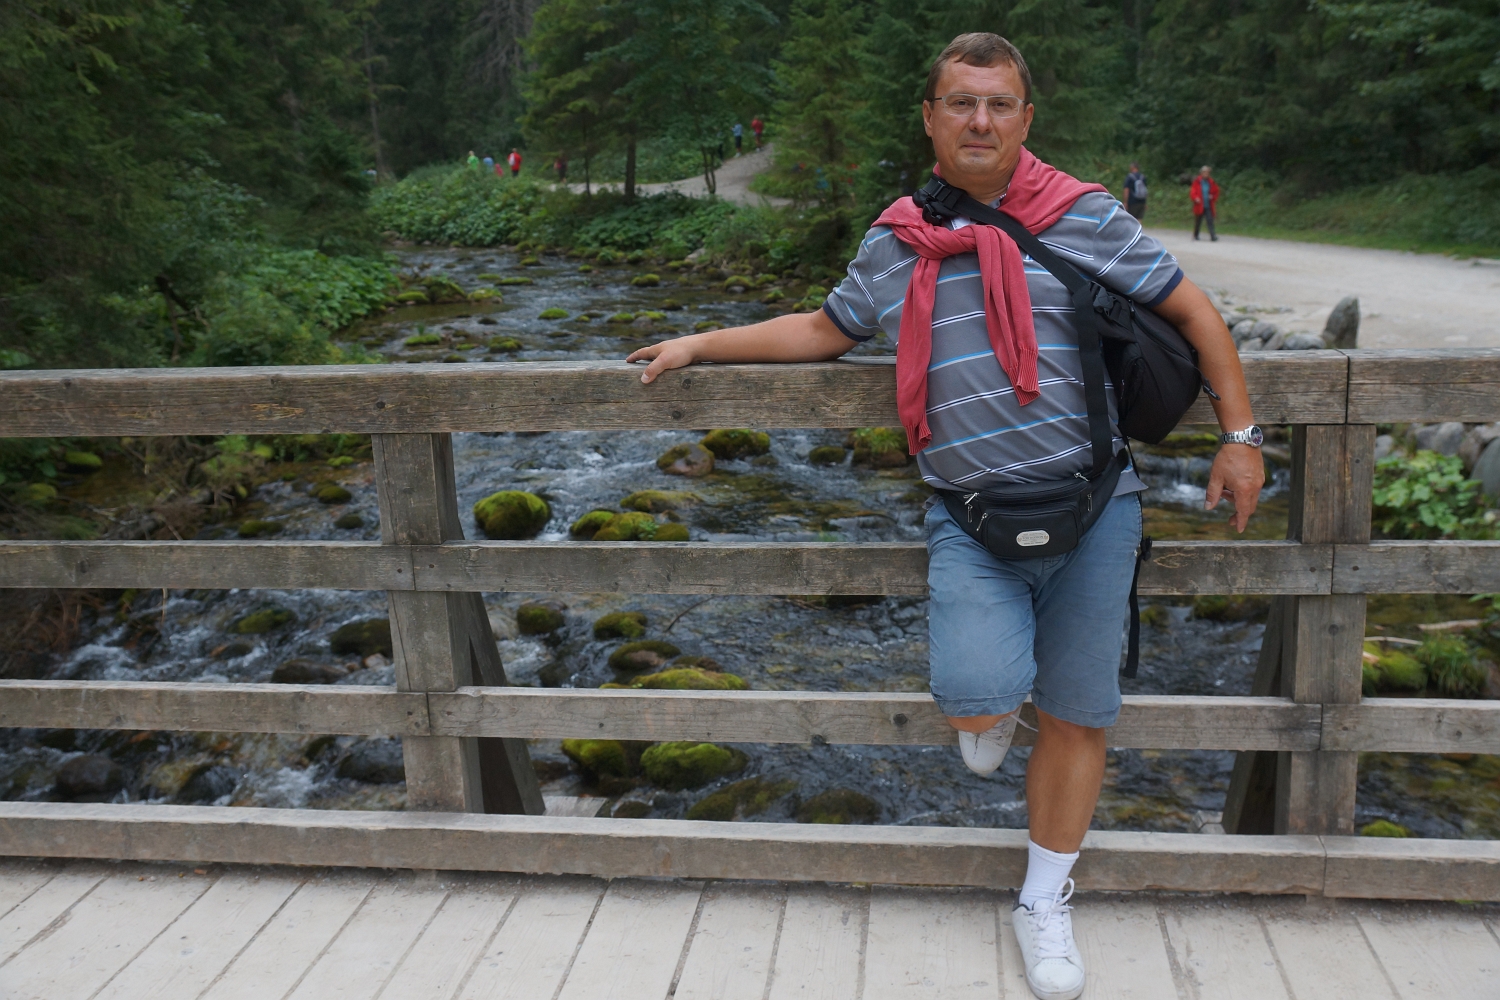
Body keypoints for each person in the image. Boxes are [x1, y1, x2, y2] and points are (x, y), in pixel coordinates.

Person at [627, 32, 1262, 1000]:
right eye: (961, 102)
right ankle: (994, 706)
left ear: (1025, 119)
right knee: (973, 696)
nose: (979, 120)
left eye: (998, 104)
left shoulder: (1081, 215)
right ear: (929, 118)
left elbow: (1195, 313)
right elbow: (825, 330)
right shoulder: (895, 240)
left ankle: (1043, 901)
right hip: (969, 516)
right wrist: (702, 344)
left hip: (1097, 505)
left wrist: (1241, 436)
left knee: (1078, 714)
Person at [1191, 165, 1219, 241]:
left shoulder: (1211, 182)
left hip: (1208, 205)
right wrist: (1196, 198)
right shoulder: (1197, 181)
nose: (1206, 174)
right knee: (1198, 221)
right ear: (1201, 173)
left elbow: (1216, 191)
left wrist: (1212, 196)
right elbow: (1193, 192)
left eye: (1207, 173)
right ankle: (1196, 235)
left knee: (1210, 221)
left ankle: (1213, 236)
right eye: (1205, 173)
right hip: (1199, 205)